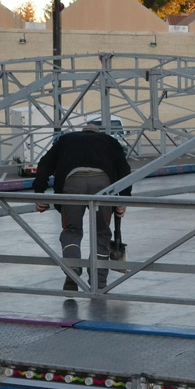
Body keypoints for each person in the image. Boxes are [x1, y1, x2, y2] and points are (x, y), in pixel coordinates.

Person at [33, 124, 132, 292]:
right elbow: (124, 170)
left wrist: (40, 193)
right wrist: (123, 199)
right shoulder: (109, 141)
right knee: (101, 232)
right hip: (103, 184)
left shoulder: (66, 140)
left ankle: (72, 270)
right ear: (97, 133)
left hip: (72, 182)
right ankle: (99, 283)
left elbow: (45, 163)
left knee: (71, 230)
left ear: (82, 132)